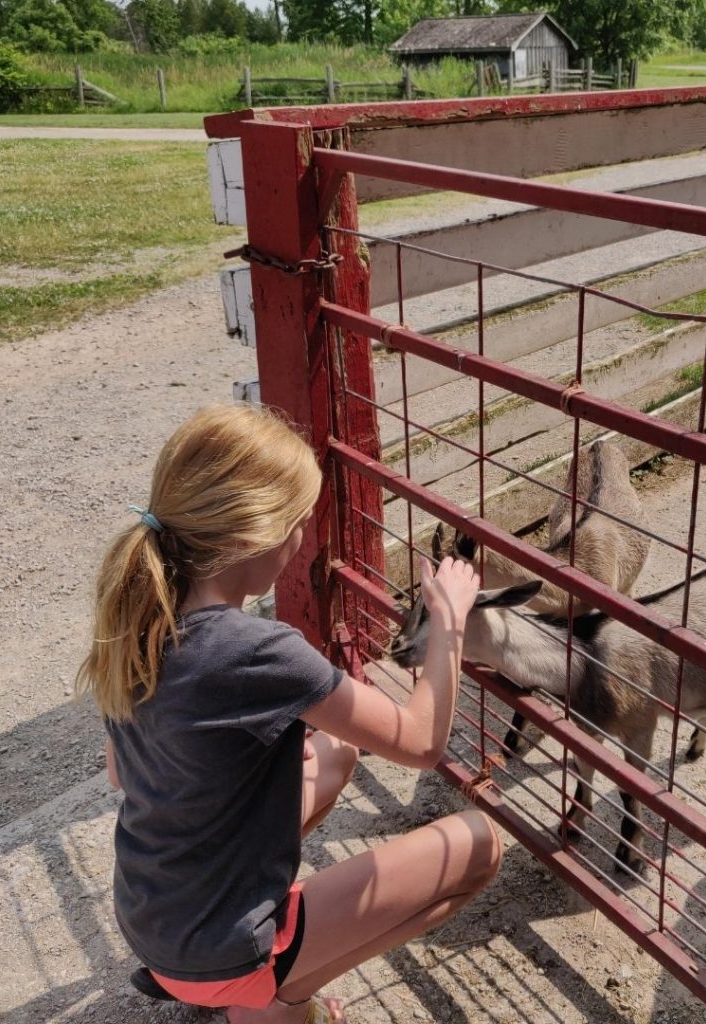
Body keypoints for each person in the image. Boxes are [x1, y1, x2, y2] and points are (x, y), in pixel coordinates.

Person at [76, 403, 502, 1024]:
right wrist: (449, 621)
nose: (303, 537)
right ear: (258, 536)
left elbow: (122, 772)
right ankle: (280, 993)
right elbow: (420, 742)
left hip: (152, 919)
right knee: (480, 844)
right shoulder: (259, 650)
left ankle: (253, 980)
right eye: (300, 522)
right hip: (217, 952)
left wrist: (254, 753)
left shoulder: (139, 618)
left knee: (334, 751)